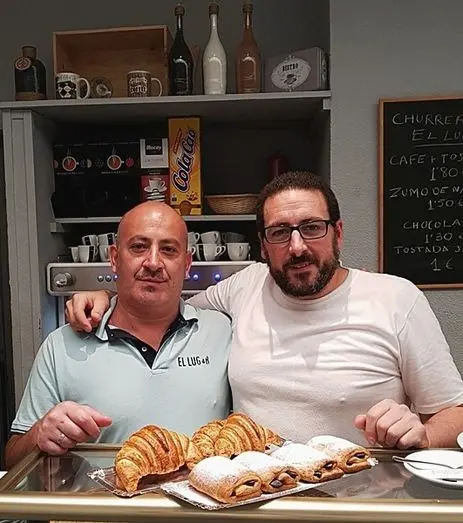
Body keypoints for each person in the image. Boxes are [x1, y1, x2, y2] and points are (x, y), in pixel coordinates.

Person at [66, 172, 463, 449]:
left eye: (312, 227)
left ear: (338, 233)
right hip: (253, 500)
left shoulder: (396, 299)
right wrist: (108, 297)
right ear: (262, 245)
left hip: (358, 505)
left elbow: (455, 412)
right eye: (279, 232)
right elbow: (163, 304)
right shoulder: (246, 287)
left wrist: (424, 434)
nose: (297, 247)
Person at [5, 202, 232, 469]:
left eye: (169, 250)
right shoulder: (60, 346)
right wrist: (39, 434)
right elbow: (12, 460)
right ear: (114, 258)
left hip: (198, 497)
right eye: (139, 247)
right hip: (97, 497)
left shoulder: (221, 331)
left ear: (186, 263)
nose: (153, 262)